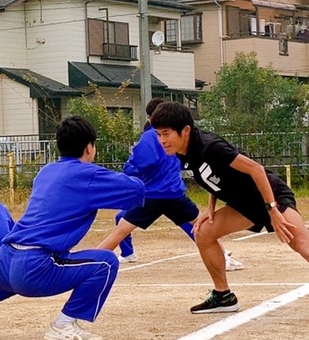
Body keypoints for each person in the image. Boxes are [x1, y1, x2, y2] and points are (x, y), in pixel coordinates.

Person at [0, 116, 144, 340]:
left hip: (5, 257)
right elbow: (137, 190)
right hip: (35, 265)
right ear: (89, 147)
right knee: (105, 262)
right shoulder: (89, 174)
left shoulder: (46, 172)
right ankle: (63, 326)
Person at [149, 101, 309, 321]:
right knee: (203, 232)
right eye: (158, 134)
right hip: (244, 206)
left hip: (271, 196)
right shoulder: (185, 152)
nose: (162, 140)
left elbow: (255, 169)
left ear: (185, 130)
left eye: (166, 134)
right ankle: (223, 296)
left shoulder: (210, 146)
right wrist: (211, 207)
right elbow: (212, 176)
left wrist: (273, 210)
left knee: (302, 244)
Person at [96, 97, 242, 271]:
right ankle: (224, 259)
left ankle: (93, 262)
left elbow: (139, 163)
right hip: (174, 194)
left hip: (153, 195)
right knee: (201, 227)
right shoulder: (176, 135)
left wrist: (130, 170)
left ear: (150, 117)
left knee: (120, 231)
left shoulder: (150, 136)